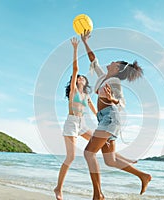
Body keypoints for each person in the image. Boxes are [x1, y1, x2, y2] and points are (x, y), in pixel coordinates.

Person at [54, 37, 135, 200]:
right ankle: (58, 188)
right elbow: (76, 68)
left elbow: (95, 112)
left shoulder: (87, 96)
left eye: (82, 77)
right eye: (78, 77)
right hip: (71, 124)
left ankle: (119, 158)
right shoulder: (73, 93)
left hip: (82, 124)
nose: (81, 78)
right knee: (70, 157)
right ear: (75, 81)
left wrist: (107, 123)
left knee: (102, 140)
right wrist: (76, 48)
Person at [81, 31, 152, 200]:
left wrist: (112, 98)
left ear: (117, 68)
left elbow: (120, 101)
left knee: (88, 153)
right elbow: (93, 59)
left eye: (114, 61)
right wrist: (85, 42)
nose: (110, 61)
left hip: (110, 118)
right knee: (110, 160)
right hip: (106, 119)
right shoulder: (103, 77)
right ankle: (143, 176)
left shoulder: (114, 82)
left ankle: (98, 195)